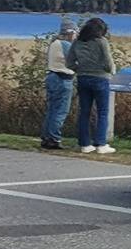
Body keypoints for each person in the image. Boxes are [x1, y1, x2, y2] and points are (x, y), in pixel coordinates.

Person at [69, 16, 117, 154]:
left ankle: (84, 144)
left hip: (83, 78)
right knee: (102, 112)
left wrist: (79, 69)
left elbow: (69, 62)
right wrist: (111, 71)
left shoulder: (77, 42)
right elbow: (108, 62)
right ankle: (101, 144)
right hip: (100, 78)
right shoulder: (101, 42)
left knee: (84, 111)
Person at [39, 20, 77, 150]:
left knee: (52, 109)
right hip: (62, 79)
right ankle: (54, 138)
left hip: (52, 77)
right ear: (70, 32)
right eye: (75, 33)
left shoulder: (54, 43)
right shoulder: (66, 45)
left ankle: (46, 137)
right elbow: (74, 61)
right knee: (60, 111)